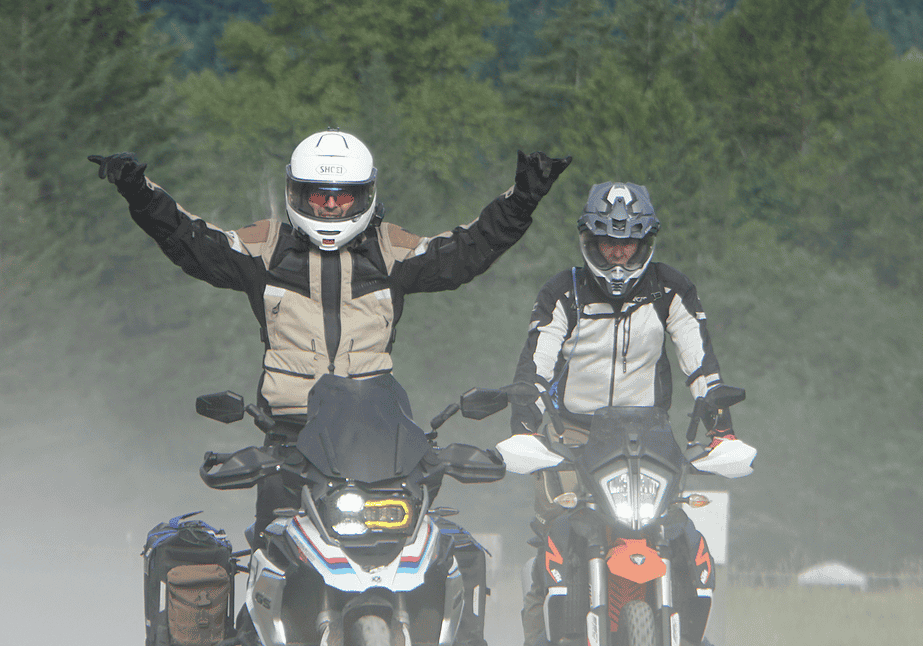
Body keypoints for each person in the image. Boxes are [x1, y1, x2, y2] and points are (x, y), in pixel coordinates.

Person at [90, 130, 571, 543]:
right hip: (288, 442)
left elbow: (467, 250)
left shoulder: (391, 250)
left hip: (376, 438)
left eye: (344, 196)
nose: (332, 205)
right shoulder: (266, 247)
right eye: (320, 196)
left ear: (366, 196)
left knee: (424, 551)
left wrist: (522, 199)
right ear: (296, 194)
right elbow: (191, 240)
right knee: (271, 552)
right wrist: (139, 191)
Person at [510, 180, 738, 646]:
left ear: (645, 242)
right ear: (589, 240)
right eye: (608, 241)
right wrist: (524, 427)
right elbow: (535, 365)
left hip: (648, 437)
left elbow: (701, 366)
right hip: (573, 439)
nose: (617, 253)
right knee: (550, 543)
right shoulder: (562, 292)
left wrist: (722, 428)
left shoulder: (672, 291)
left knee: (679, 535)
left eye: (628, 242)